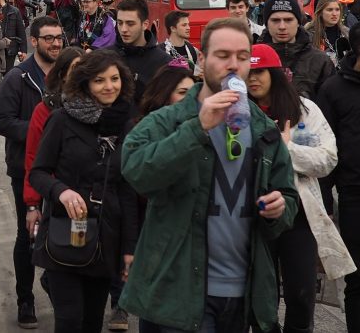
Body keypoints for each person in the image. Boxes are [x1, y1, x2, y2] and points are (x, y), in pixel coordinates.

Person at [120, 17, 299, 333]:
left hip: (240, 295)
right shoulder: (170, 119)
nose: (234, 65)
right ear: (202, 61)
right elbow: (137, 171)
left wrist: (279, 208)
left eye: (243, 57)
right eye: (223, 55)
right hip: (179, 293)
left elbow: (288, 198)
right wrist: (196, 128)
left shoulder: (262, 129)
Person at [245, 43, 355, 332]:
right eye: (248, 72)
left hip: (299, 216)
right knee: (259, 296)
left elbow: (328, 158)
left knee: (301, 294)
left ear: (276, 74)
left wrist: (287, 150)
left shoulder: (305, 111)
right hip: (252, 216)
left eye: (261, 72)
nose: (253, 79)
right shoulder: (236, 113)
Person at [29, 49, 139, 333]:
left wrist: (130, 248)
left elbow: (127, 190)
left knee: (92, 321)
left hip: (106, 237)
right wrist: (61, 191)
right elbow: (38, 172)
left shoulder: (127, 124)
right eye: (100, 80)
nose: (109, 86)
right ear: (85, 84)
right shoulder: (62, 120)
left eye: (115, 79)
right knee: (69, 319)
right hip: (66, 232)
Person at [0, 16, 65, 327]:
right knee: (27, 235)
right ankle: (25, 298)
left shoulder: (70, 77)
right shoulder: (18, 78)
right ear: (34, 41)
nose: (56, 43)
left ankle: (54, 282)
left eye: (59, 37)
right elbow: (3, 121)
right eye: (48, 38)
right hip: (26, 167)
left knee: (59, 231)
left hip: (63, 170)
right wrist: (43, 133)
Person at [316, 23, 360, 330]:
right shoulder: (334, 88)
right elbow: (325, 147)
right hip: (353, 194)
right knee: (356, 278)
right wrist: (324, 205)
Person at [21, 46, 85, 239]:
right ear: (63, 75)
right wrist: (33, 204)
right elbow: (33, 157)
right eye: (75, 70)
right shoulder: (45, 110)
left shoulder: (97, 107)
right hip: (56, 194)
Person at [258, 0, 334, 98]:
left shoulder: (320, 62)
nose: (282, 26)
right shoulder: (253, 59)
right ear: (267, 23)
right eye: (275, 20)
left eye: (288, 20)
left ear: (298, 22)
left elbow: (330, 106)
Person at [111, 0, 172, 109]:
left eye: (130, 24)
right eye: (120, 23)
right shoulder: (105, 57)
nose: (123, 29)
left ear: (145, 24)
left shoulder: (164, 62)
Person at [305, 0, 349, 64]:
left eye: (337, 10)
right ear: (320, 12)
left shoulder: (346, 32)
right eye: (330, 10)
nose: (334, 14)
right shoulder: (309, 34)